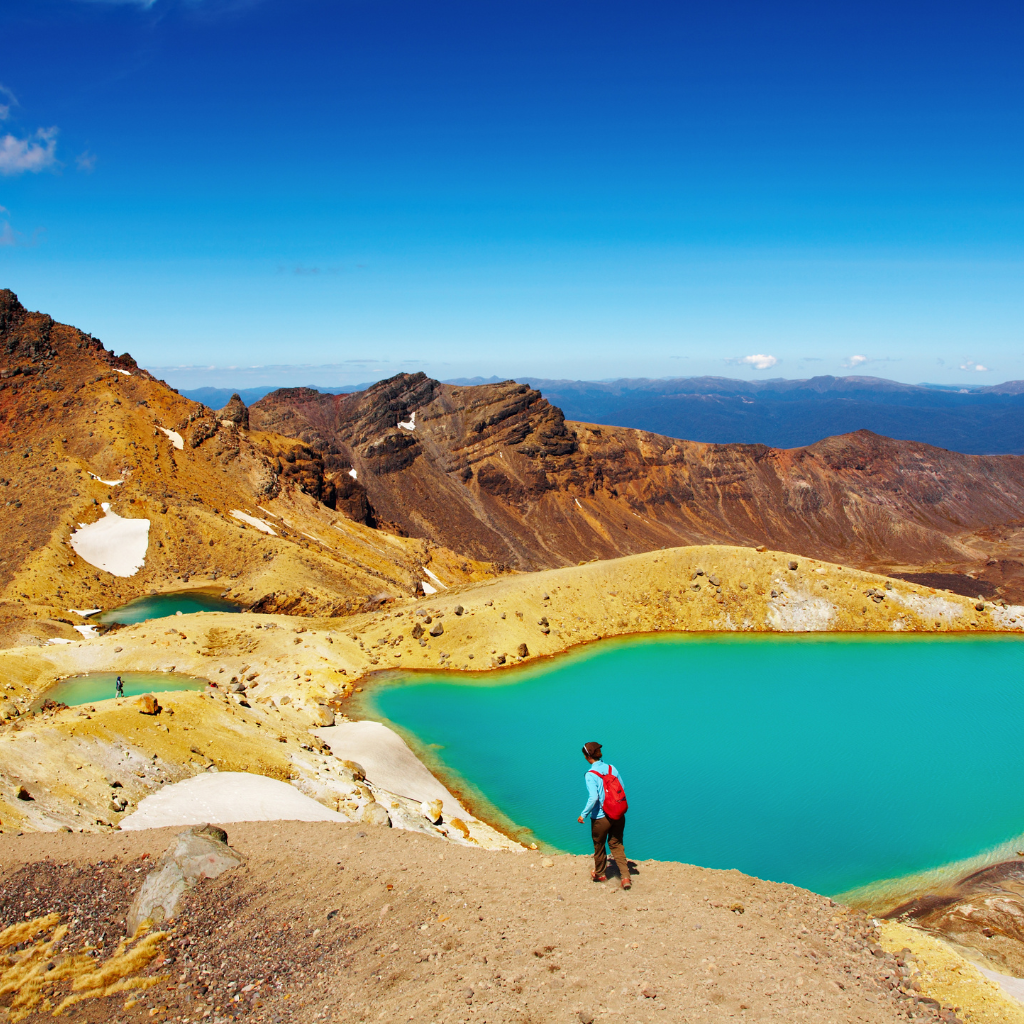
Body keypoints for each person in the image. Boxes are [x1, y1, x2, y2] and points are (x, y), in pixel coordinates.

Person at [577, 741, 631, 889]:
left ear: (587, 757)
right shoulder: (611, 768)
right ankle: (625, 877)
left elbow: (594, 797)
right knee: (616, 844)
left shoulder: (590, 774)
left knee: (599, 845)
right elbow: (622, 787)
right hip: (618, 814)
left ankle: (600, 874)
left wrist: (583, 814)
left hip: (601, 817)